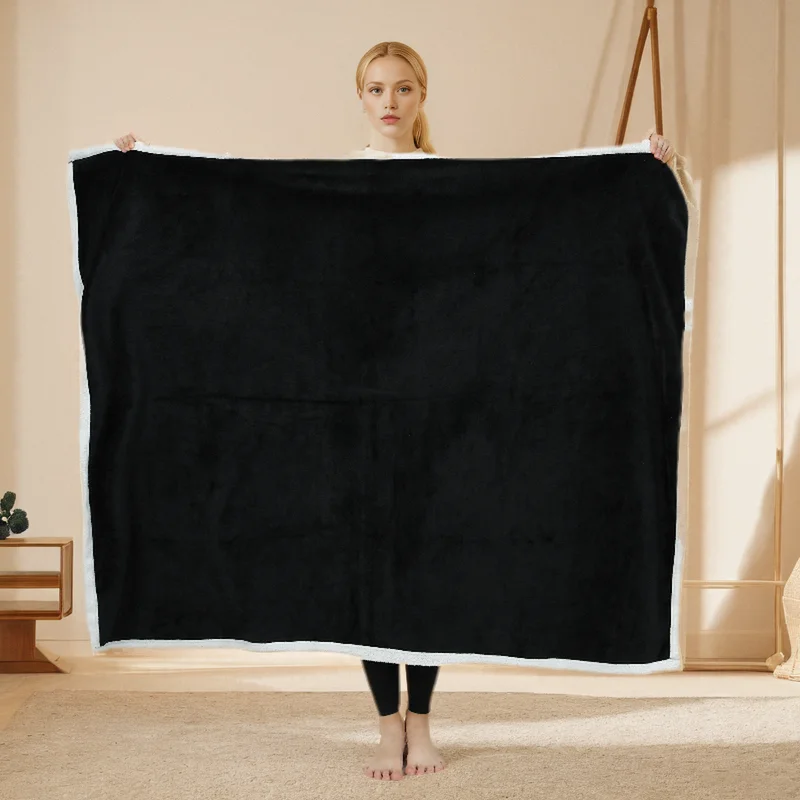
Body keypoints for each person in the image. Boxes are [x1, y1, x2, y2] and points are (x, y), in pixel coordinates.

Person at [113, 40, 676, 783]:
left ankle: (425, 724)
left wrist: (638, 165)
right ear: (361, 96)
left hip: (442, 411)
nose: (390, 101)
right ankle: (387, 728)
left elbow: (536, 229)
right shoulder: (333, 186)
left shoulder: (453, 186)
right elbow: (245, 225)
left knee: (430, 563)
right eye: (377, 88)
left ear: (422, 96)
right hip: (350, 411)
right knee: (366, 573)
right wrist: (143, 173)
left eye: (404, 88)